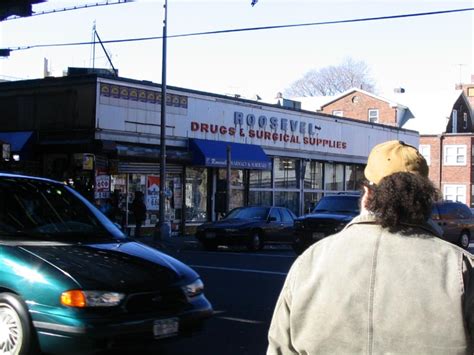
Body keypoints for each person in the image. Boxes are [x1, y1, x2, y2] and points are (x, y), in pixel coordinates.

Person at [267, 140, 474, 355]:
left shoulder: (309, 262)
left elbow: (280, 348)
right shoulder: (460, 268)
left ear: (367, 194)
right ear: (425, 198)